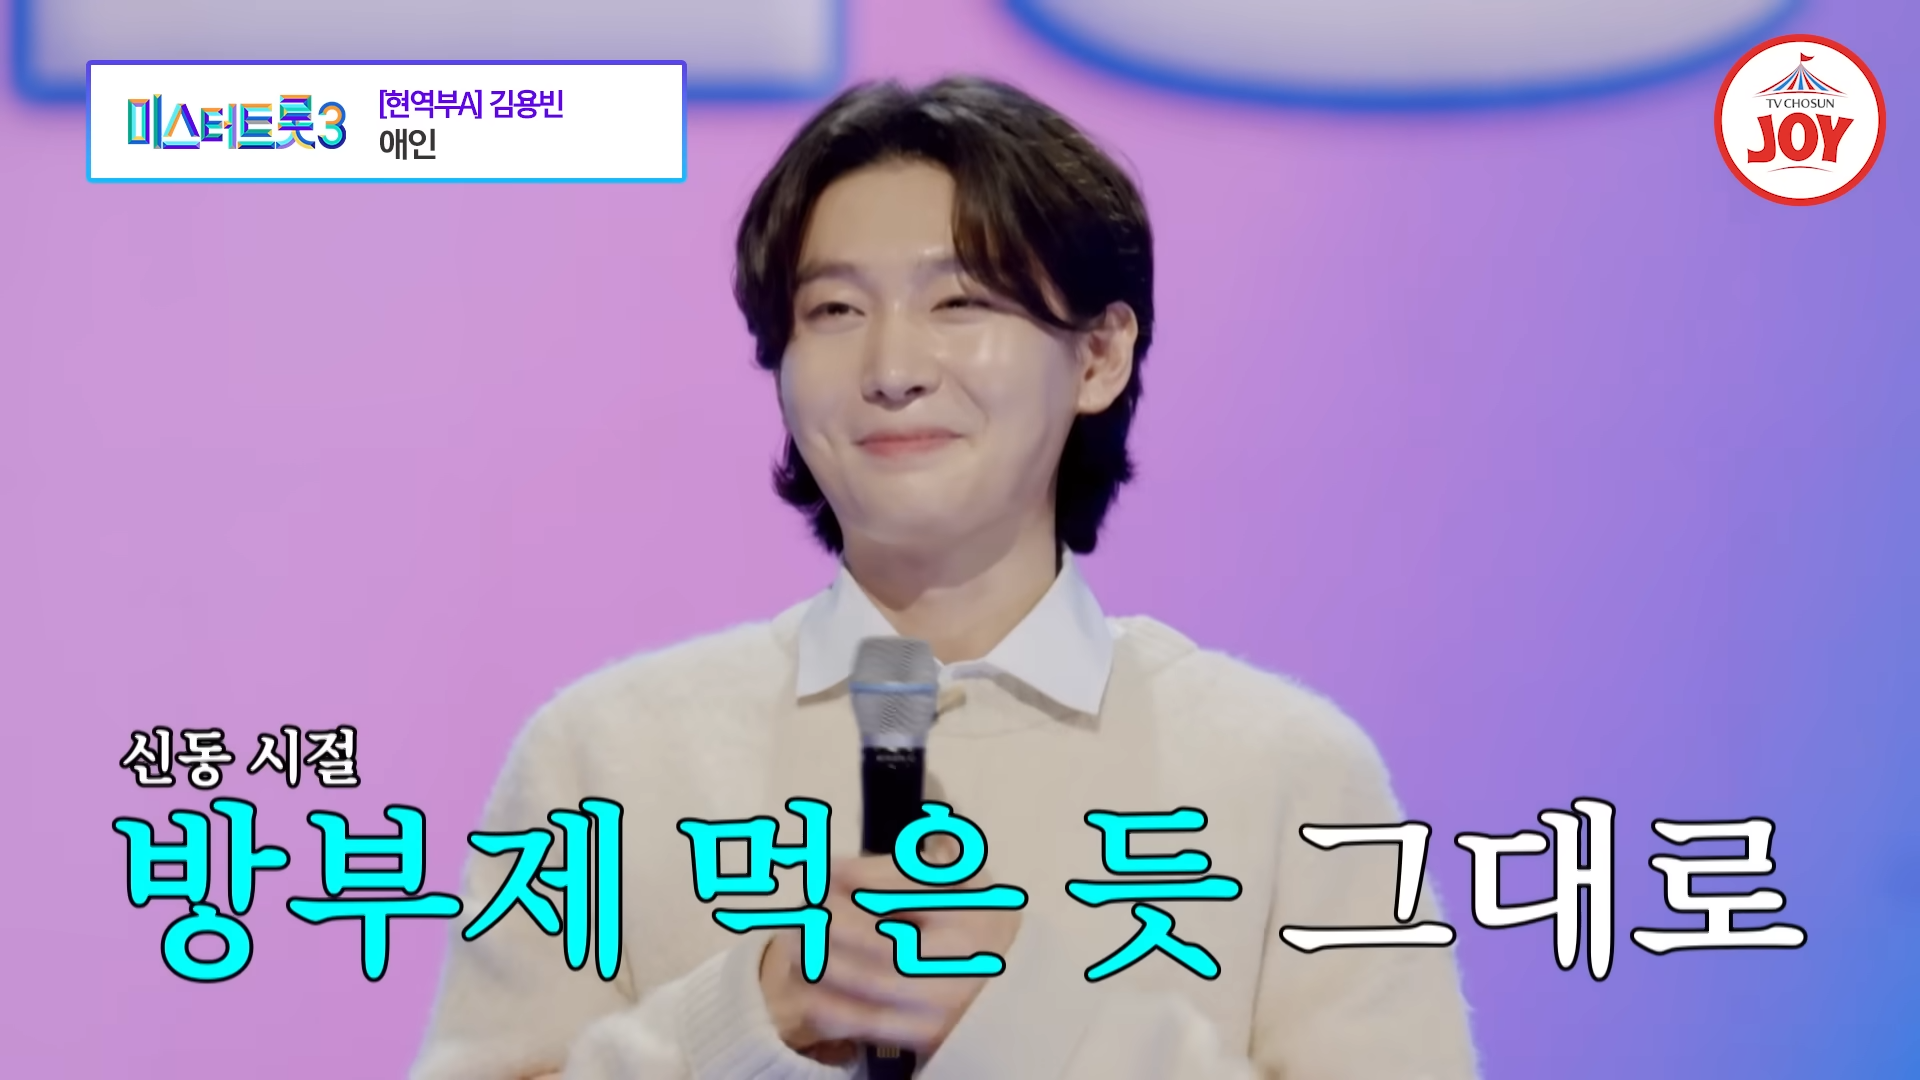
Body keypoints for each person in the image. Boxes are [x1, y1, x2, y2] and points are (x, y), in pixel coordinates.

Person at [412, 75, 1479, 1080]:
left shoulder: (1289, 772)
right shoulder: (607, 757)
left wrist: (1017, 1027)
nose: (892, 369)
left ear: (1099, 357)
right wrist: (744, 1022)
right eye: (834, 311)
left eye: (960, 302)